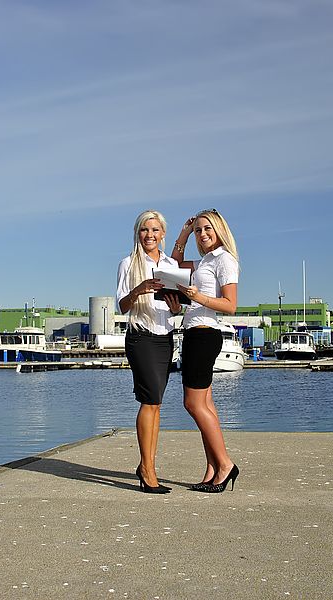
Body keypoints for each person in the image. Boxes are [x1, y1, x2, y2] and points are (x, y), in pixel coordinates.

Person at [172, 208, 240, 493]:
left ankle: (225, 464)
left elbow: (230, 305)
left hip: (204, 335)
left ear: (219, 230)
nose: (203, 233)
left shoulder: (225, 259)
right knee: (206, 405)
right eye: (199, 229)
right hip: (193, 334)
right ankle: (213, 468)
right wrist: (183, 234)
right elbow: (173, 268)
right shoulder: (204, 262)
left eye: (207, 228)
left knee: (193, 404)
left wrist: (198, 297)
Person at [117, 209, 182, 494]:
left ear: (163, 234)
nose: (150, 235)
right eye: (145, 230)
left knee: (156, 404)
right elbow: (122, 305)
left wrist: (178, 307)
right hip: (140, 337)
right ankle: (147, 470)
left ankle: (148, 465)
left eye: (155, 230)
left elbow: (177, 308)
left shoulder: (171, 264)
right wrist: (139, 290)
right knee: (150, 399)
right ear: (137, 233)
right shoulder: (128, 263)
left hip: (164, 337)